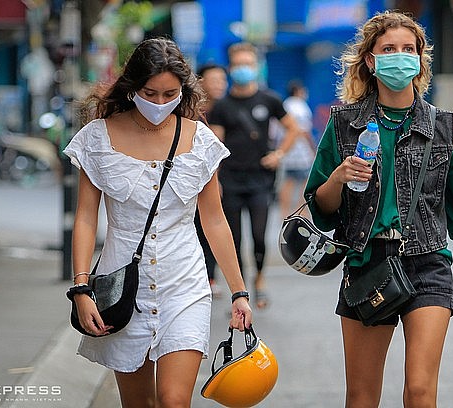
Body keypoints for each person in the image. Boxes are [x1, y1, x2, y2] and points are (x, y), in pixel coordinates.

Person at [304, 11, 453, 407]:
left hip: (429, 266)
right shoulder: (343, 126)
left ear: (421, 59)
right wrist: (338, 176)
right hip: (367, 264)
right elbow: (320, 208)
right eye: (389, 49)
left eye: (409, 49)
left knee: (421, 392)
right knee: (361, 395)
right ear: (370, 61)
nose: (400, 56)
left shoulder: (446, 127)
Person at [63, 38, 252, 408]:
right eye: (151, 93)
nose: (161, 103)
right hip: (121, 290)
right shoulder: (97, 138)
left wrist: (239, 292)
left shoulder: (200, 140)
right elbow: (86, 217)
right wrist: (81, 288)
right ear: (133, 87)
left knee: (173, 401)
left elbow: (214, 220)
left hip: (185, 284)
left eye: (171, 94)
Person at [208, 42, 300, 309]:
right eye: (238, 65)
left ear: (256, 67)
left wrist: (279, 154)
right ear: (230, 68)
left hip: (261, 179)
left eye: (248, 64)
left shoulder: (269, 99)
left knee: (259, 236)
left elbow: (292, 128)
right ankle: (241, 290)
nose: (243, 69)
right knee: (234, 238)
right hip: (231, 180)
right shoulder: (222, 106)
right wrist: (215, 181)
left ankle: (260, 279)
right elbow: (215, 145)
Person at [195, 63, 229, 298]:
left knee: (215, 226)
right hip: (200, 178)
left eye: (222, 80)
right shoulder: (191, 112)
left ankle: (212, 275)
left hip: (228, 177)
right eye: (213, 79)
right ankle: (204, 274)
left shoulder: (229, 107)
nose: (219, 84)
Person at [277, 79, 316, 218]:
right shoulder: (301, 106)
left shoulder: (285, 105)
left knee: (287, 181)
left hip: (287, 150)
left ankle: (284, 212)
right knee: (305, 183)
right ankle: (301, 211)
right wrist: (312, 148)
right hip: (301, 152)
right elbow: (305, 131)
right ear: (299, 91)